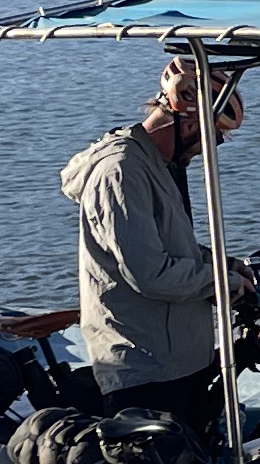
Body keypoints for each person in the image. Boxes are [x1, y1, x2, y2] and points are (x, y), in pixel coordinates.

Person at [63, 51, 248, 419]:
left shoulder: (156, 166)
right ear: (191, 124)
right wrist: (222, 283)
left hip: (177, 361)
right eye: (217, 137)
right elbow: (148, 272)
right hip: (147, 371)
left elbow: (167, 242)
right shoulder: (121, 173)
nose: (212, 149)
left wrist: (222, 263)